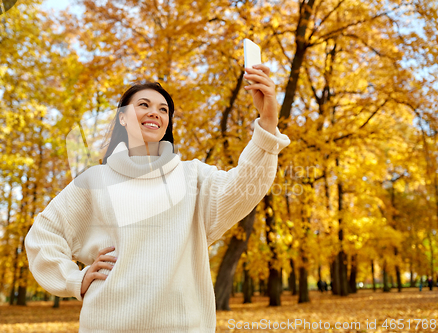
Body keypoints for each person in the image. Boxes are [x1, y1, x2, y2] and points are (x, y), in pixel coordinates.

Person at [24, 64, 291, 333]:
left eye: (163, 109)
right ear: (122, 118)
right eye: (143, 104)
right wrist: (75, 279)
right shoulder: (94, 181)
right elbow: (44, 235)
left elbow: (246, 185)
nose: (155, 112)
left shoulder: (193, 176)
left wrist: (267, 122)